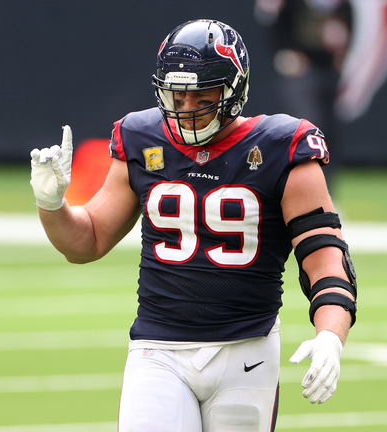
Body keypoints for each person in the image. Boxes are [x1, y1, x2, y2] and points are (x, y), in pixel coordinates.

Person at [29, 19, 357, 432]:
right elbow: (86, 242)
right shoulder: (142, 136)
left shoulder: (282, 148)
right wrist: (51, 203)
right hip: (158, 349)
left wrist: (330, 335)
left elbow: (326, 260)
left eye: (200, 94)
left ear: (233, 89)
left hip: (246, 351)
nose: (186, 108)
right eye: (176, 95)